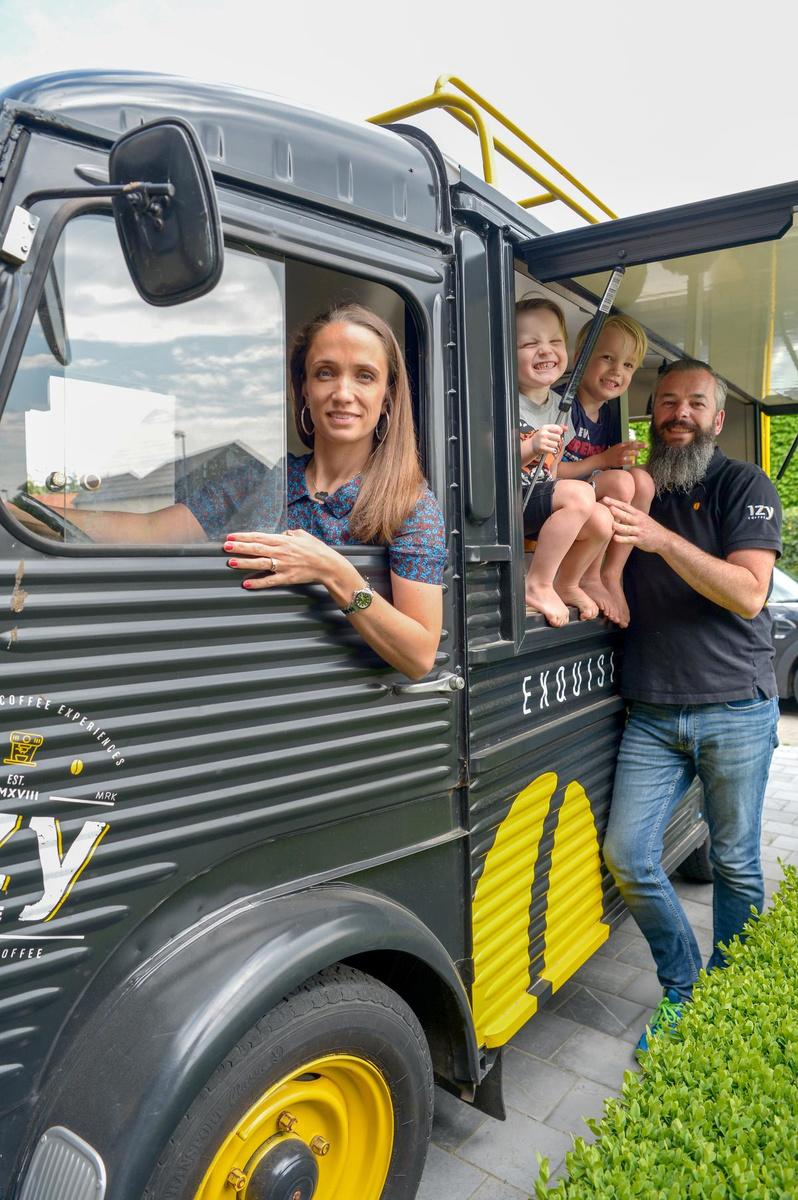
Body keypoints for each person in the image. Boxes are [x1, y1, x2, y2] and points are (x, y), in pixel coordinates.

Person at [25, 304, 446, 680]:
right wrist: (27, 512)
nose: (342, 393)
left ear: (387, 397)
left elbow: (419, 655)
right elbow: (150, 530)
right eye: (325, 372)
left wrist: (335, 572)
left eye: (365, 376)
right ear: (303, 388)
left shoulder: (411, 506)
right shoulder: (257, 480)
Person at [600, 357, 782, 1053]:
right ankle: (684, 984)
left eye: (694, 403)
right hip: (650, 710)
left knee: (734, 861)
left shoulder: (743, 484)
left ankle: (729, 988)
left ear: (717, 416)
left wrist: (662, 542)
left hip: (736, 707)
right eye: (667, 402)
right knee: (628, 855)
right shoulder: (638, 488)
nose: (678, 414)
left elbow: (748, 592)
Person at [516, 296, 613, 627]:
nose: (545, 350)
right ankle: (537, 583)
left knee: (602, 518)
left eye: (554, 341)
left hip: (538, 498)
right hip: (509, 503)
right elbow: (487, 464)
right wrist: (529, 449)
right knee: (581, 494)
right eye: (530, 344)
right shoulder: (500, 401)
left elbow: (552, 470)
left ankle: (566, 582)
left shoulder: (562, 405)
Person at [555, 315, 655, 626]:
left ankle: (611, 574)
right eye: (608, 358)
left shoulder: (609, 415)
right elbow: (549, 472)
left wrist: (617, 462)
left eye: (627, 365)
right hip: (559, 500)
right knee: (623, 483)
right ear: (581, 357)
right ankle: (590, 576)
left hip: (589, 501)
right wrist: (602, 461)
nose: (616, 371)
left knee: (642, 481)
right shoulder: (562, 402)